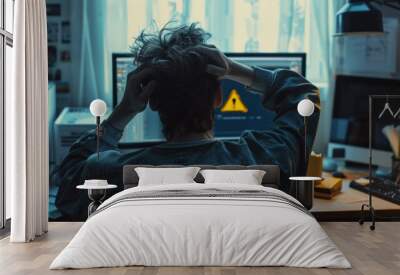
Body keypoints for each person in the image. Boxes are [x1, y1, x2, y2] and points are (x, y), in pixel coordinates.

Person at [55, 23, 320, 220]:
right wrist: (236, 70)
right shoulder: (267, 156)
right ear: (218, 97)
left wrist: (123, 111)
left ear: (152, 101)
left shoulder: (109, 171)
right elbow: (302, 95)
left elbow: (68, 183)